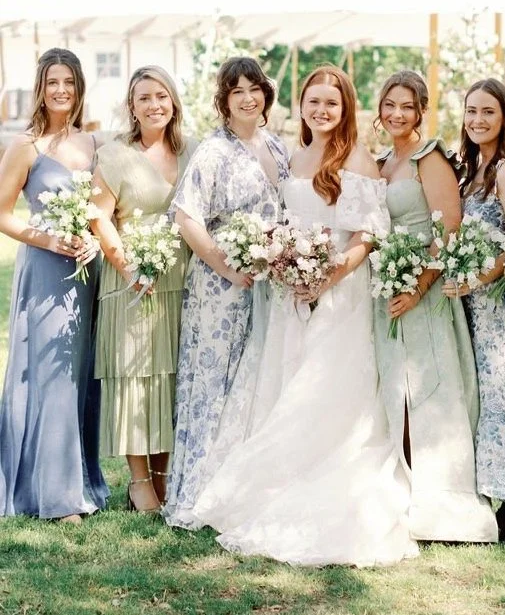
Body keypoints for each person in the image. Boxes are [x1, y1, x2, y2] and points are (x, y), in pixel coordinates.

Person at [194, 65, 417, 566]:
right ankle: (277, 483)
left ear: (345, 108)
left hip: (341, 293)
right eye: (313, 101)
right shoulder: (294, 157)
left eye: (331, 103)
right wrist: (287, 266)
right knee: (289, 383)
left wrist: (328, 276)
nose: (321, 110)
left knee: (325, 389)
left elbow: (367, 234)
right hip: (289, 293)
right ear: (301, 106)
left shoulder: (356, 157)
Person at [163, 56, 288, 529]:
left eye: (254, 89)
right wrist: (225, 266)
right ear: (224, 99)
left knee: (256, 380)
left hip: (268, 287)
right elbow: (186, 217)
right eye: (237, 91)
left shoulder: (277, 147)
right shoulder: (213, 151)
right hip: (221, 287)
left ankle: (246, 489)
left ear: (266, 95)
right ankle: (201, 489)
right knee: (217, 380)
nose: (248, 98)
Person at [374, 70, 497, 542]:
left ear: (421, 111)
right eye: (390, 105)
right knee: (394, 391)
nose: (397, 114)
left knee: (426, 392)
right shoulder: (383, 161)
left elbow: (449, 227)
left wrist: (418, 285)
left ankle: (437, 494)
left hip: (424, 294)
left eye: (407, 106)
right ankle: (402, 488)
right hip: (388, 291)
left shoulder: (430, 159)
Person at [0, 48, 108, 521]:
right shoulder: (26, 145)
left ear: (79, 87)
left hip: (87, 271)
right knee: (51, 373)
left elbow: (106, 211)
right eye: (52, 82)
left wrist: (95, 244)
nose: (61, 90)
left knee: (81, 372)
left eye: (68, 81)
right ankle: (56, 495)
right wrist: (48, 238)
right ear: (41, 89)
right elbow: (2, 213)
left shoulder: (94, 143)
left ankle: (80, 480)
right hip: (45, 269)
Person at [91, 65, 195, 513]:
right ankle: (139, 482)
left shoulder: (192, 150)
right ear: (131, 107)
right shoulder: (115, 154)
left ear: (173, 102)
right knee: (135, 374)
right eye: (144, 98)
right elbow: (99, 218)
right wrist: (128, 266)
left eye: (162, 96)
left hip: (180, 278)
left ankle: (165, 475)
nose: (155, 105)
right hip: (132, 279)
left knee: (170, 375)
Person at [445, 78, 505, 539]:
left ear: (504, 117)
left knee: (500, 393)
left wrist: (478, 278)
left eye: (488, 112)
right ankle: (482, 491)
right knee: (477, 394)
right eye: (471, 111)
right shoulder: (468, 168)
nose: (477, 120)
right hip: (468, 300)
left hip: (498, 301)